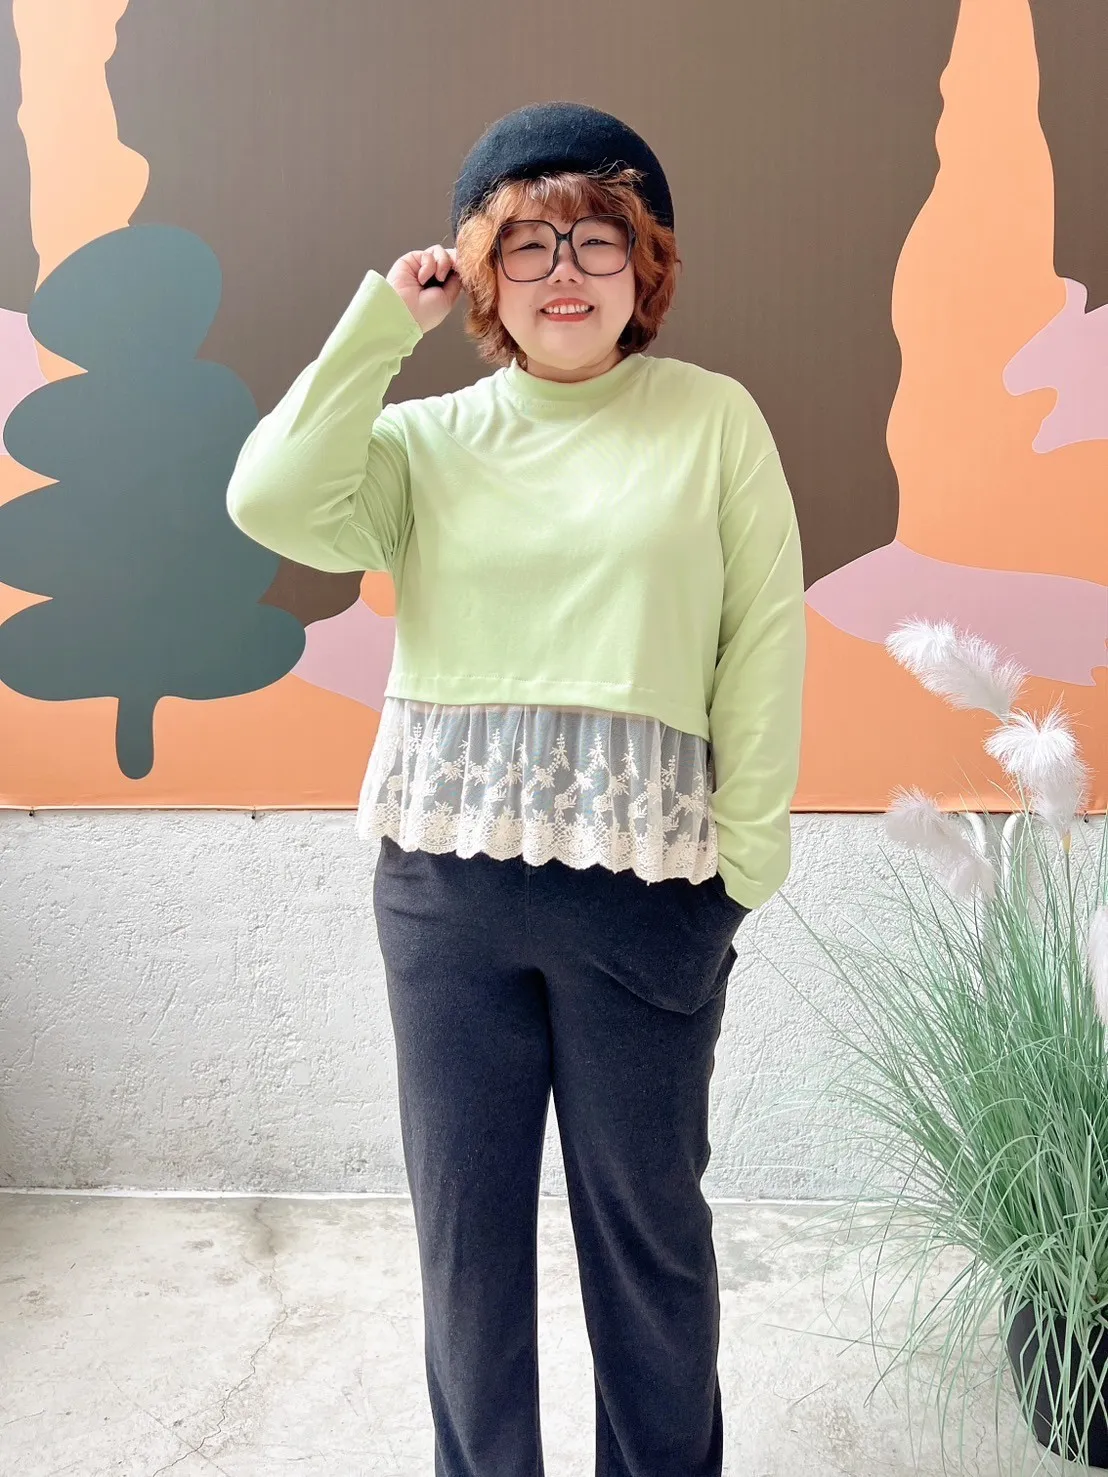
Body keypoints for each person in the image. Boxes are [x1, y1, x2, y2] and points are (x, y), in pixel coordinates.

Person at [226, 100, 806, 1477]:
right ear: (483, 275)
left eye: (598, 239)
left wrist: (743, 868)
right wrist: (381, 327)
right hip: (447, 895)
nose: (565, 272)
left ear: (644, 267)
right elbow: (270, 500)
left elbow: (764, 638)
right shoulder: (425, 442)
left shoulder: (713, 421)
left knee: (650, 1240)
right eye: (527, 244)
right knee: (466, 1247)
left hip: (650, 895)